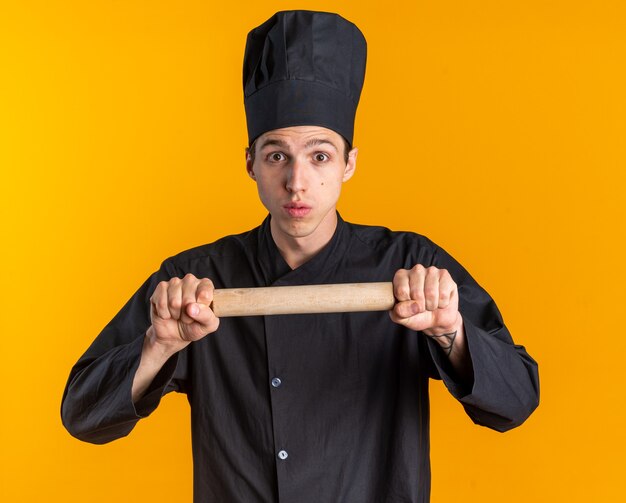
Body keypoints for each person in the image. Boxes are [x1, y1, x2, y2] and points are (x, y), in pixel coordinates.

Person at [61, 10, 539, 502]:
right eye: (276, 156)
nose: (297, 182)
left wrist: (450, 333)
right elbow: (81, 415)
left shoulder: (411, 270)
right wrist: (158, 347)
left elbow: (517, 402)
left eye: (320, 155)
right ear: (250, 163)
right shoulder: (196, 282)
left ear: (349, 163)